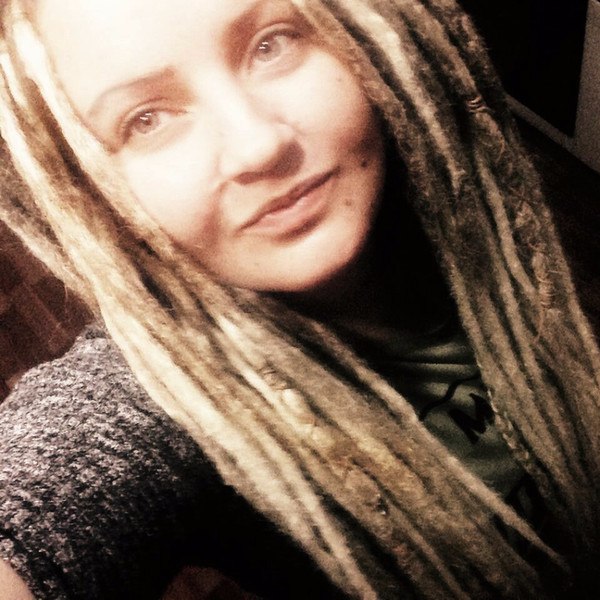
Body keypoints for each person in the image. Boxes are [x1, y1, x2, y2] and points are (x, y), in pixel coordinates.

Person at [0, 0, 598, 598]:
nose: (258, 145)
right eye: (146, 119)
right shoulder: (155, 399)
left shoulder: (468, 190)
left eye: (272, 44)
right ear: (84, 190)